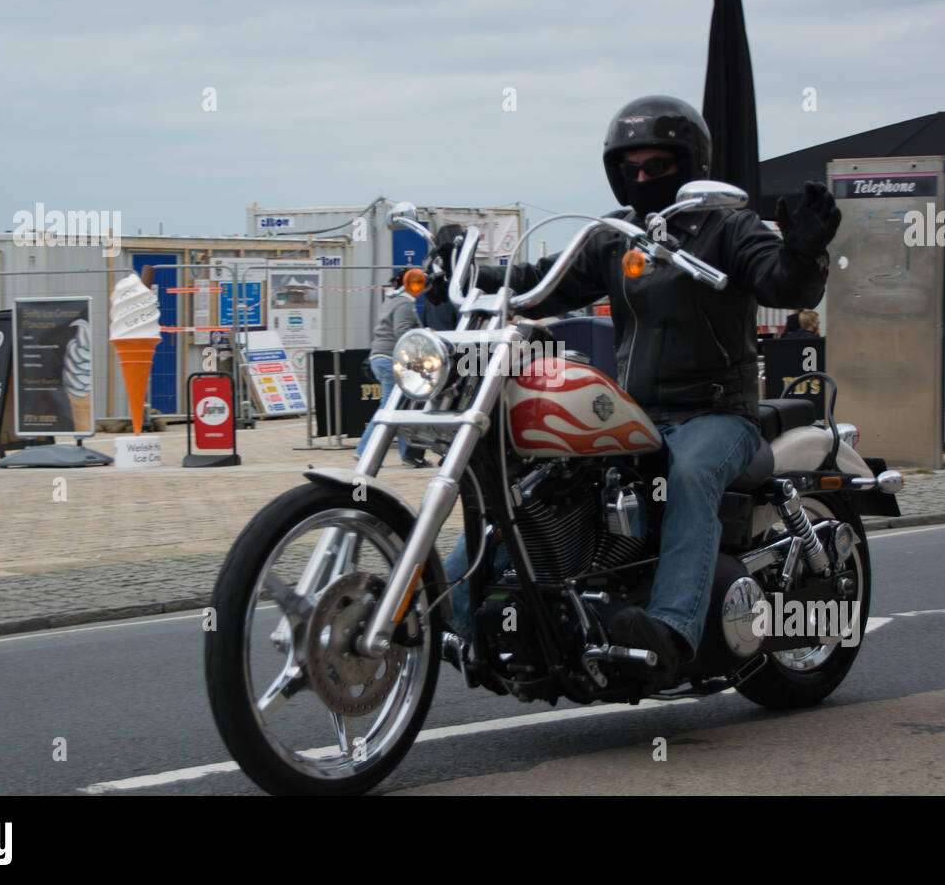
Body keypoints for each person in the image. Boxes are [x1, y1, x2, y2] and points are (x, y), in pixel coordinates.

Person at [434, 95, 837, 684]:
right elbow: (540, 286)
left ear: (690, 164)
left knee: (693, 472)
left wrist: (804, 250)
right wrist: (473, 273)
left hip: (717, 415)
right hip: (636, 415)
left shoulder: (728, 225)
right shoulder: (615, 236)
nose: (643, 178)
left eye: (658, 167)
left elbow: (781, 281)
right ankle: (449, 616)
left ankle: (671, 631)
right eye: (631, 169)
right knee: (536, 480)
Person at [356, 270, 431, 467]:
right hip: (391, 359)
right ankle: (365, 450)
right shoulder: (405, 303)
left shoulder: (392, 300)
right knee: (389, 409)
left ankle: (409, 454)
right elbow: (402, 330)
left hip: (380, 358)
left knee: (401, 408)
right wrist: (424, 334)